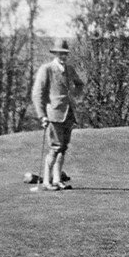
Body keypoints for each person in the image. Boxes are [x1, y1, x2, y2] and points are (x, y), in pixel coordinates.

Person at [32, 38, 85, 191]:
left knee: (63, 148)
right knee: (55, 147)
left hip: (68, 113)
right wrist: (42, 115)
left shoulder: (69, 69)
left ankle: (57, 180)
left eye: (65, 54)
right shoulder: (47, 69)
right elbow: (38, 93)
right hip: (53, 114)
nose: (62, 56)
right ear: (54, 53)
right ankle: (46, 181)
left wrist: (74, 95)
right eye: (59, 53)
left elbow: (80, 84)